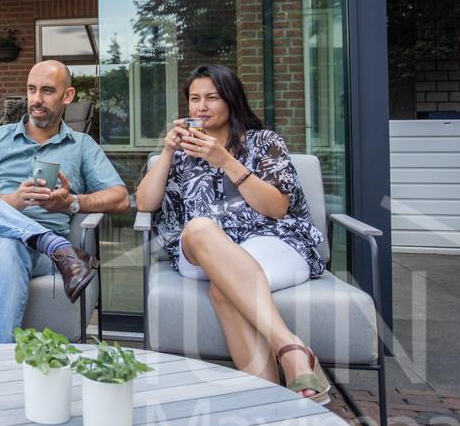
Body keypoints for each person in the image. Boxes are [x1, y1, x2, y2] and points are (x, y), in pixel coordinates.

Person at [136, 64, 332, 402]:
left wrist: (225, 160)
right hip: (201, 251)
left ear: (231, 100)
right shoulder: (181, 154)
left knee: (224, 288)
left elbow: (277, 208)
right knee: (198, 228)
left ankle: (269, 401)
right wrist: (167, 151)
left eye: (211, 97)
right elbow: (144, 201)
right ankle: (292, 349)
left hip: (273, 244)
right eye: (195, 99)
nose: (201, 106)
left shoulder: (264, 142)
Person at [0, 60, 130, 345]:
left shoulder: (82, 145)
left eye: (47, 91)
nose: (36, 99)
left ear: (67, 96)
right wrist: (12, 201)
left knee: (10, 243)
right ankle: (45, 239)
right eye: (31, 90)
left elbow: (120, 198)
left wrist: (71, 203)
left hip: (32, 255)